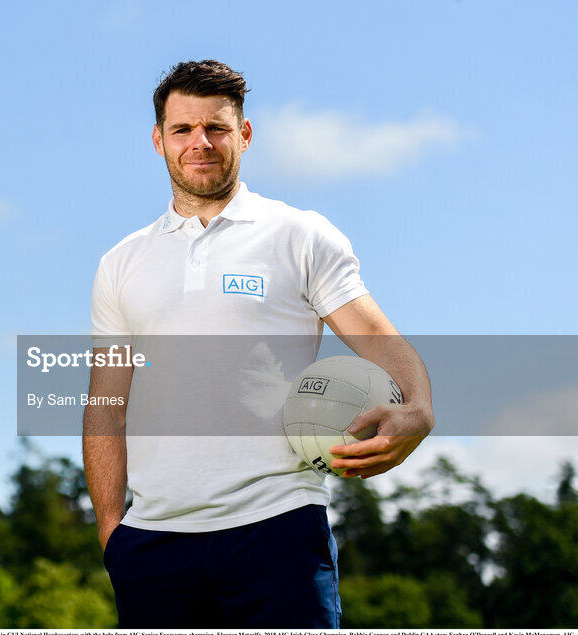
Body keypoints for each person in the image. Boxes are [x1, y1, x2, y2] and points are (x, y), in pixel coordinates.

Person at [82, 60, 434, 629]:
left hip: (279, 528)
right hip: (152, 546)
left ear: (244, 134)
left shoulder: (300, 234)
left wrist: (419, 408)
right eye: (183, 129)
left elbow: (376, 335)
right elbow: (105, 404)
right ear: (158, 140)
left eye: (216, 128)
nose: (201, 142)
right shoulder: (120, 263)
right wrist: (111, 534)